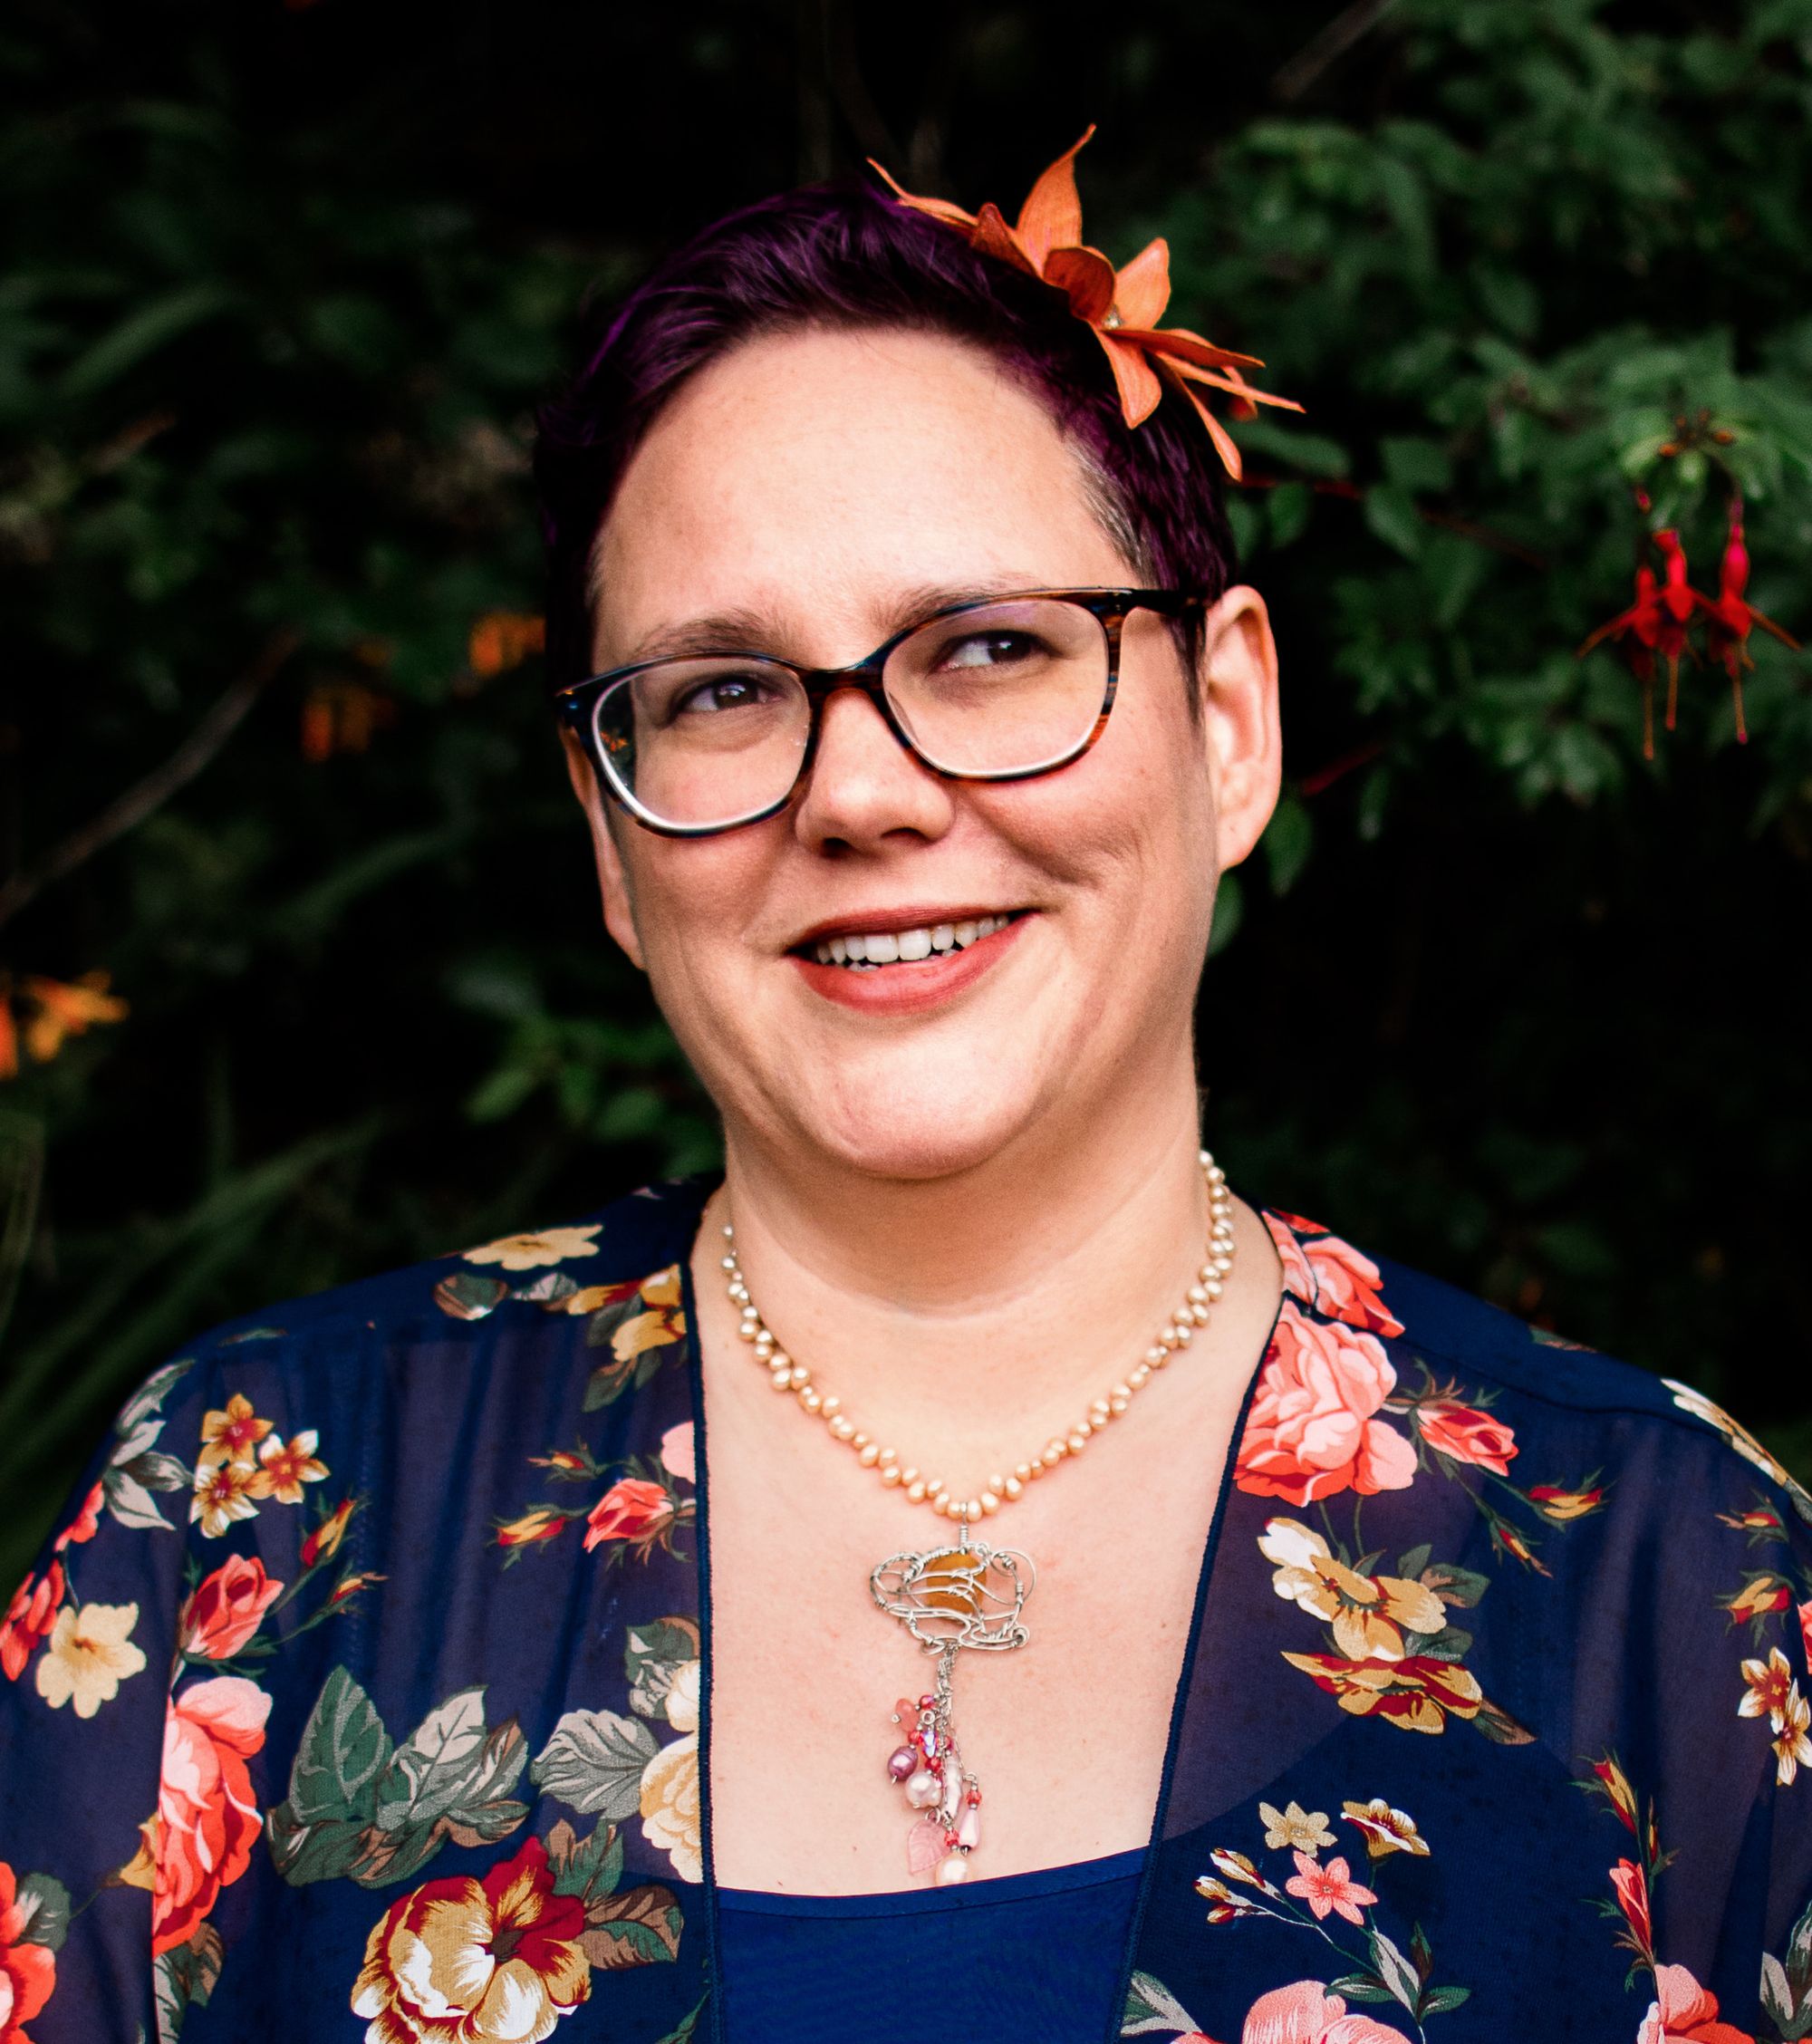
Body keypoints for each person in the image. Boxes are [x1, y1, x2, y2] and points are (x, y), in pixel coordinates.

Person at [2, 136, 1809, 2044]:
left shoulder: (1668, 1581)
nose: (858, 792)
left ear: (1229, 727)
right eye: (719, 692)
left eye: (993, 649)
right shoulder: (255, 1517)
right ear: (612, 849)